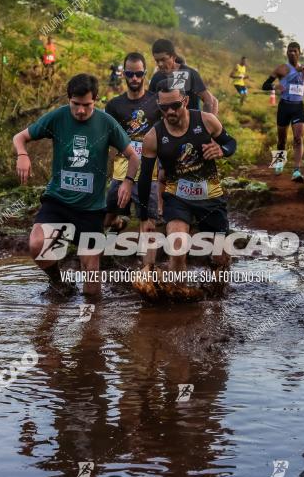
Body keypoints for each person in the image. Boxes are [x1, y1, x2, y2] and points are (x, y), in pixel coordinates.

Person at [12, 74, 140, 296]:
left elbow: (134, 156)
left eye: (87, 105)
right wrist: (22, 154)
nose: (81, 111)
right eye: (75, 105)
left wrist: (128, 182)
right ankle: (58, 281)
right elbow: (19, 137)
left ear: (96, 100)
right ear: (69, 99)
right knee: (37, 245)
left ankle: (92, 326)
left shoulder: (106, 123)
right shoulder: (58, 117)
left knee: (92, 282)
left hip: (91, 209)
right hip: (58, 200)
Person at [136, 79, 237, 273]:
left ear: (185, 101)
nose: (170, 112)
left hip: (210, 195)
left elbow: (231, 143)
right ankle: (178, 294)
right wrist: (143, 216)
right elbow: (146, 177)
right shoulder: (153, 137)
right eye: (164, 108)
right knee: (177, 246)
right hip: (177, 198)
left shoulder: (206, 121)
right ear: (159, 106)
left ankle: (218, 299)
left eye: (175, 105)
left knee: (221, 258)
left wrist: (222, 150)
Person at [103, 52, 162, 270]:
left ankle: (147, 271)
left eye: (138, 74)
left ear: (145, 73)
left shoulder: (157, 101)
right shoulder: (114, 105)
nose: (135, 78)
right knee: (107, 220)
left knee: (148, 225)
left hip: (150, 173)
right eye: (130, 74)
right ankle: (120, 223)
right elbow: (105, 139)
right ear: (124, 74)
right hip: (121, 172)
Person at [261, 42, 304, 182]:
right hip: (284, 107)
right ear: (286, 53)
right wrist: (275, 86)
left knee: (298, 138)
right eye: (289, 51)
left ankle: (297, 170)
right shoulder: (281, 68)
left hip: (298, 106)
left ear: (300, 52)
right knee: (282, 140)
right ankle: (279, 163)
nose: (292, 53)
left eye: (294, 51)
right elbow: (264, 85)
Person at [149, 39, 219, 115]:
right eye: (157, 61)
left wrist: (206, 121)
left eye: (163, 60)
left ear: (173, 57)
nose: (160, 64)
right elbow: (150, 105)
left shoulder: (189, 74)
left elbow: (208, 100)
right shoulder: (156, 78)